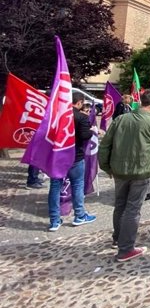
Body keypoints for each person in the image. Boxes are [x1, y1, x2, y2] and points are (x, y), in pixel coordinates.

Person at [99, 89, 150, 262]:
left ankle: (118, 239)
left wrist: (106, 167)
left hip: (119, 170)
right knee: (132, 209)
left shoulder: (120, 119)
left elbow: (105, 145)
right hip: (141, 172)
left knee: (120, 206)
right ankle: (125, 249)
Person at [47, 92, 97, 232]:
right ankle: (79, 216)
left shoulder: (56, 115)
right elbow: (84, 136)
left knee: (55, 187)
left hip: (57, 157)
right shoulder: (81, 117)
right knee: (77, 186)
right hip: (76, 156)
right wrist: (92, 130)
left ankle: (54, 221)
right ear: (79, 103)